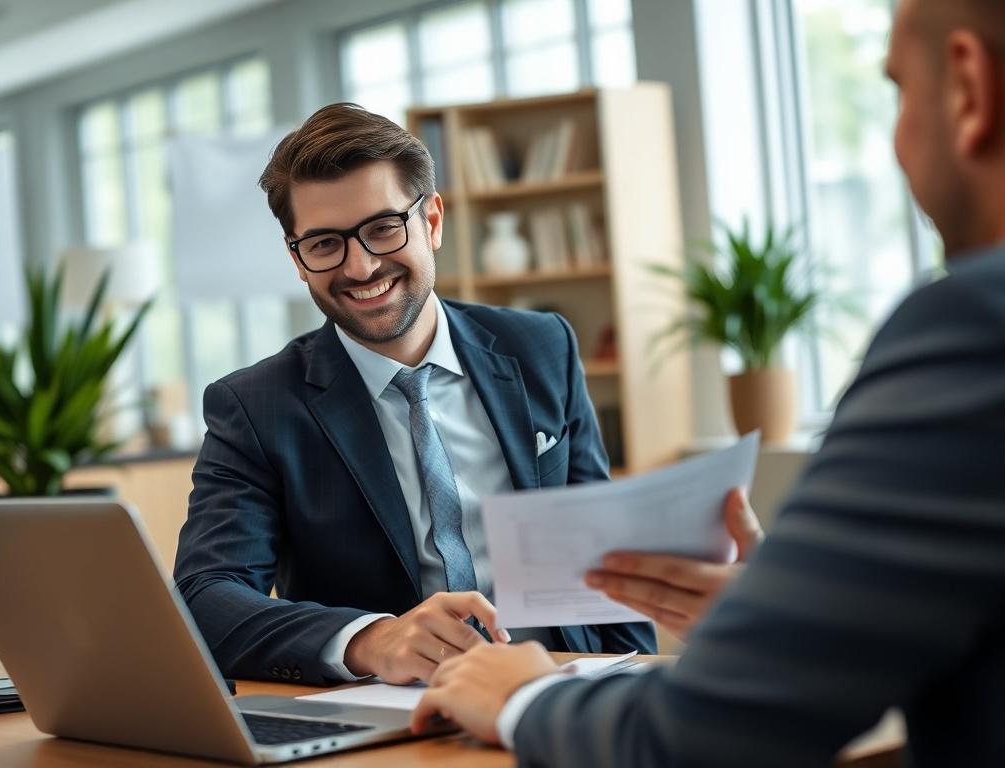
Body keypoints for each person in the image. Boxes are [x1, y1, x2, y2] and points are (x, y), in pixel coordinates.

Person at [412, 0, 1005, 764]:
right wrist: (795, 614)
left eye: (897, 90)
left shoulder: (972, 325)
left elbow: (700, 738)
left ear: (966, 88)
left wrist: (524, 695)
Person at [173, 103, 756, 687]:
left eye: (383, 227)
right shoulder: (255, 406)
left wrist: (634, 682)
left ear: (432, 221)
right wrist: (371, 640)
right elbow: (206, 597)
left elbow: (605, 561)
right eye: (325, 243)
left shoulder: (541, 347)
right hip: (398, 712)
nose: (362, 264)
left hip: (564, 690)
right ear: (297, 260)